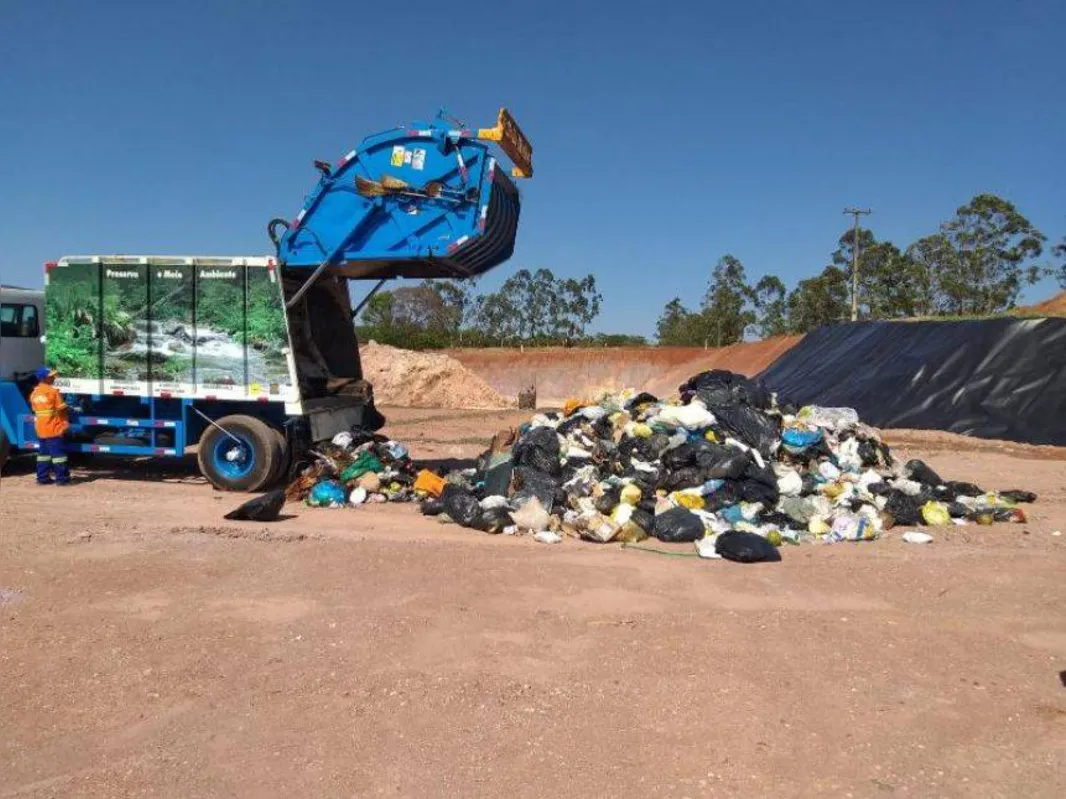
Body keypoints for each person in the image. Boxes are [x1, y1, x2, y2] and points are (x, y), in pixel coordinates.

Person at [29, 367, 71, 485]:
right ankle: (62, 479)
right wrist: (66, 422)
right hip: (53, 428)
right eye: (51, 376)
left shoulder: (34, 393)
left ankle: (42, 478)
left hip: (40, 428)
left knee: (43, 454)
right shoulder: (53, 392)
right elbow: (62, 409)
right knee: (59, 455)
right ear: (44, 378)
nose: (54, 378)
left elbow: (36, 410)